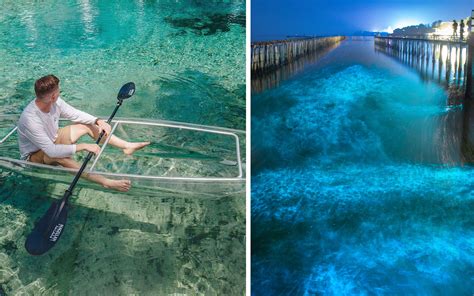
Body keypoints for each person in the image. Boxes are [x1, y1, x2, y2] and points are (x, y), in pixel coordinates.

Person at [17, 75, 150, 192]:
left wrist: (98, 121)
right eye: (59, 91)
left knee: (86, 124)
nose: (59, 94)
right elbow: (52, 151)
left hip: (52, 140)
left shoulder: (55, 102)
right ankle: (106, 182)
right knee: (59, 156)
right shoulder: (31, 120)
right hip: (33, 157)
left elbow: (74, 114)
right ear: (53, 96)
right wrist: (84, 146)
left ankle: (127, 146)